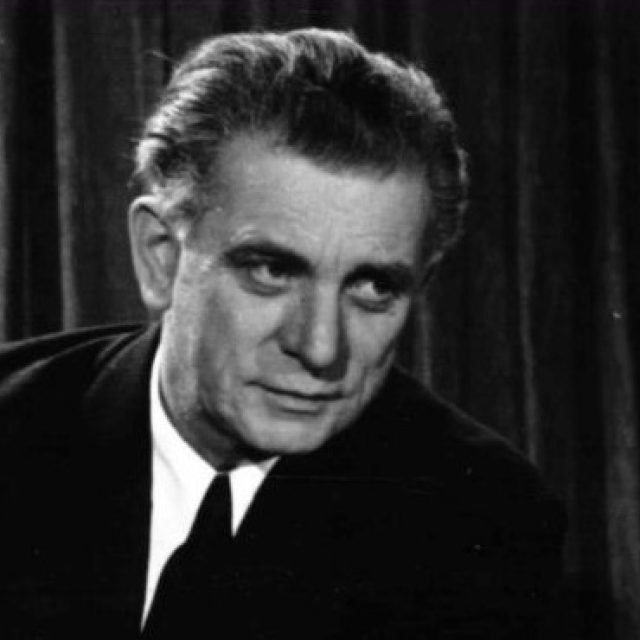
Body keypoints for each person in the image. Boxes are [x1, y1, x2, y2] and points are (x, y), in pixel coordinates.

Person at [0, 28, 564, 640]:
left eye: (373, 286)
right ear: (161, 256)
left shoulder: (482, 519)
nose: (321, 348)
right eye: (271, 271)